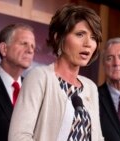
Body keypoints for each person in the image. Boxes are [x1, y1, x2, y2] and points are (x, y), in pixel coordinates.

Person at [8, 4, 104, 141]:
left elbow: (98, 138)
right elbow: (18, 137)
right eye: (80, 34)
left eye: (94, 37)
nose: (88, 43)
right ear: (58, 37)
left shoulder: (90, 88)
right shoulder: (40, 77)